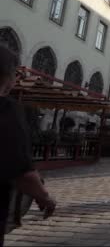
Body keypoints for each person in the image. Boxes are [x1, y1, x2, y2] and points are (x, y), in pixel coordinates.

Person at [0, 45, 56, 246]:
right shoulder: (7, 110)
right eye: (15, 74)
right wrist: (44, 197)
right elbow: (20, 170)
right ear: (7, 77)